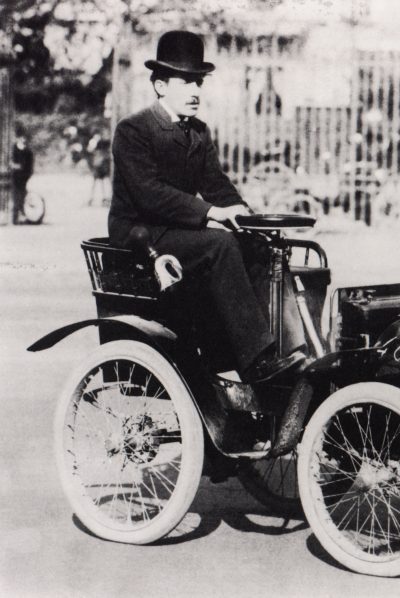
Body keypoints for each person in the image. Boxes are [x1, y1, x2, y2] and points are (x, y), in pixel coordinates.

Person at [108, 30, 304, 382]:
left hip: (178, 230)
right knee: (220, 244)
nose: (196, 91)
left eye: (199, 82)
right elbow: (148, 193)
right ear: (160, 85)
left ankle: (289, 350)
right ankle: (255, 361)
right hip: (141, 233)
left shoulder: (198, 132)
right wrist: (211, 214)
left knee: (259, 246)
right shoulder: (133, 130)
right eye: (186, 82)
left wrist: (247, 216)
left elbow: (216, 185)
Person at [11, 124, 34, 224]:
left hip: (23, 175)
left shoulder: (27, 151)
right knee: (19, 195)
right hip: (18, 175)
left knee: (19, 195)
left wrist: (12, 165)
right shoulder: (16, 149)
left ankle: (18, 216)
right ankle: (18, 215)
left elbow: (24, 166)